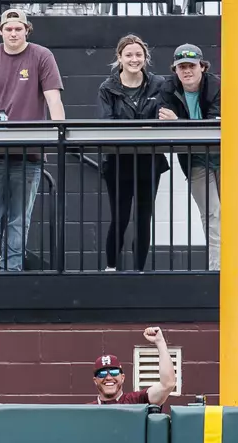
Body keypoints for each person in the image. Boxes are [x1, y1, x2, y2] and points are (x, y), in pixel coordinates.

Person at [0, 9, 65, 272]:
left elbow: (54, 99)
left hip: (30, 154)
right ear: (0, 31)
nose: (14, 33)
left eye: (19, 28)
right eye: (9, 28)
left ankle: (11, 272)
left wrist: (60, 133)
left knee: (19, 219)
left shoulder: (42, 55)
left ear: (27, 30)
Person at [97, 35, 172, 272]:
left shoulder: (159, 84)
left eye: (138, 54)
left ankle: (139, 270)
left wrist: (141, 127)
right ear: (119, 58)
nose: (134, 59)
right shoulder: (107, 87)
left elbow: (162, 118)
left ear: (145, 58)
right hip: (118, 162)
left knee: (143, 219)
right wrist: (143, 127)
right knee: (119, 217)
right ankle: (110, 268)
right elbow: (108, 124)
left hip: (149, 162)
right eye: (128, 54)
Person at [158, 43, 221, 272]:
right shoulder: (168, 89)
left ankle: (234, 269)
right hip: (194, 159)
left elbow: (215, 127)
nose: (187, 71)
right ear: (175, 70)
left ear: (202, 67)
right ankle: (217, 270)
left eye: (192, 66)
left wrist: (180, 123)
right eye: (182, 66)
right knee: (212, 213)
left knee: (231, 213)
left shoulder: (216, 85)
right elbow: (166, 128)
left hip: (224, 157)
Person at [92, 325, 178, 405]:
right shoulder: (87, 411)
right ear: (95, 381)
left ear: (122, 377)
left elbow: (167, 385)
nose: (108, 377)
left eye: (114, 372)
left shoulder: (137, 400)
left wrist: (160, 342)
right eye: (102, 374)